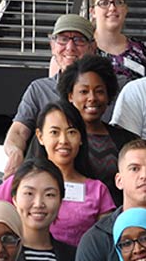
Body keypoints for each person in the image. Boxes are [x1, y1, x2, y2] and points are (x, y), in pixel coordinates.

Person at [0, 101, 116, 247]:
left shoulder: (97, 190)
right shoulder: (19, 182)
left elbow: (107, 245)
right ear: (40, 136)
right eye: (54, 132)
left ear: (82, 138)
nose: (63, 141)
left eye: (71, 132)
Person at [3, 14, 97, 178]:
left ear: (92, 47)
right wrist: (15, 151)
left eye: (79, 40)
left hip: (93, 175)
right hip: (45, 177)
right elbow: (18, 131)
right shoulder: (39, 89)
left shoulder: (103, 90)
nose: (70, 47)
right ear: (52, 45)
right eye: (62, 39)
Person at [57, 54, 137, 205]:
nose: (92, 98)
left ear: (108, 96)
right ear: (70, 96)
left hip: (115, 221)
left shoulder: (127, 141)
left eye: (99, 91)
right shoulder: (57, 140)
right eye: (84, 91)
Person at [9, 158, 77, 261]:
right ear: (14, 200)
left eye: (49, 195)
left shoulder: (73, 258)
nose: (38, 204)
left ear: (60, 201)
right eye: (29, 193)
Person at [90, 0, 146, 80]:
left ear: (125, 9)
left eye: (118, 2)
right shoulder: (82, 48)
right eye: (104, 3)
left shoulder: (143, 51)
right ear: (93, 12)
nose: (112, 8)